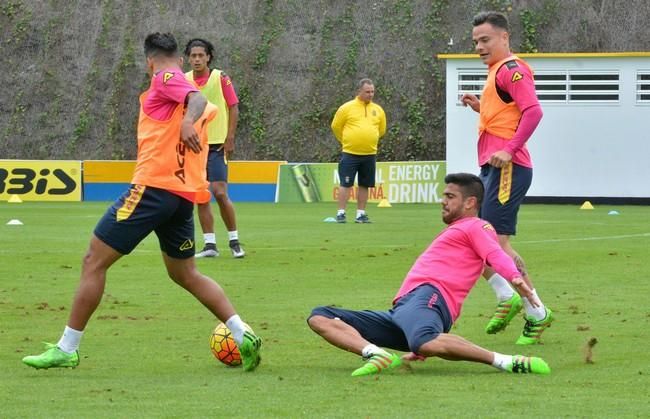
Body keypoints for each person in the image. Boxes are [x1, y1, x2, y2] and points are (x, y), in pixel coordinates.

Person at [22, 32, 261, 371]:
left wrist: (187, 122)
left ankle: (66, 348)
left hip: (152, 189)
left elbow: (193, 98)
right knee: (185, 273)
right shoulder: (174, 85)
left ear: (150, 61)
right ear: (179, 58)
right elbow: (195, 101)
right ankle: (242, 333)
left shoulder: (164, 78)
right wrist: (187, 120)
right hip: (180, 197)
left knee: (93, 261)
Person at [308, 173, 551, 377]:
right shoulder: (456, 231)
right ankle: (377, 354)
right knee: (320, 317)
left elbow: (494, 253)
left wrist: (514, 277)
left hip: (430, 297)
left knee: (425, 340)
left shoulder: (476, 226)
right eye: (444, 195)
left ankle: (507, 361)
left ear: (470, 203)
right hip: (403, 313)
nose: (442, 201)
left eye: (450, 196)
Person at [461, 11, 553, 344]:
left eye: (485, 40)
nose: (479, 47)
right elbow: (507, 114)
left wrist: (511, 150)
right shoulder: (495, 73)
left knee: (491, 243)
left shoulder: (512, 70)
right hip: (494, 167)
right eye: (475, 42)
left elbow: (534, 111)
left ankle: (525, 305)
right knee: (478, 238)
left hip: (508, 167)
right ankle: (525, 304)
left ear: (504, 37)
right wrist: (478, 107)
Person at [184, 38, 244, 258]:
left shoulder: (220, 77)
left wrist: (230, 136)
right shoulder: (184, 80)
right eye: (193, 55)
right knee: (200, 195)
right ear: (188, 58)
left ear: (208, 57)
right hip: (194, 146)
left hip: (217, 144)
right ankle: (210, 245)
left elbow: (233, 106)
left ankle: (234, 240)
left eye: (201, 55)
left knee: (219, 192)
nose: (197, 59)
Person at [331, 78, 386, 223]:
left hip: (369, 154)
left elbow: (381, 130)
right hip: (350, 153)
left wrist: (369, 139)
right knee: (346, 183)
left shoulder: (378, 110)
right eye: (367, 92)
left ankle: (360, 214)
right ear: (359, 91)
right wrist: (346, 141)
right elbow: (336, 126)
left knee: (365, 184)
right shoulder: (346, 108)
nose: (370, 94)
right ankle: (341, 213)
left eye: (372, 91)